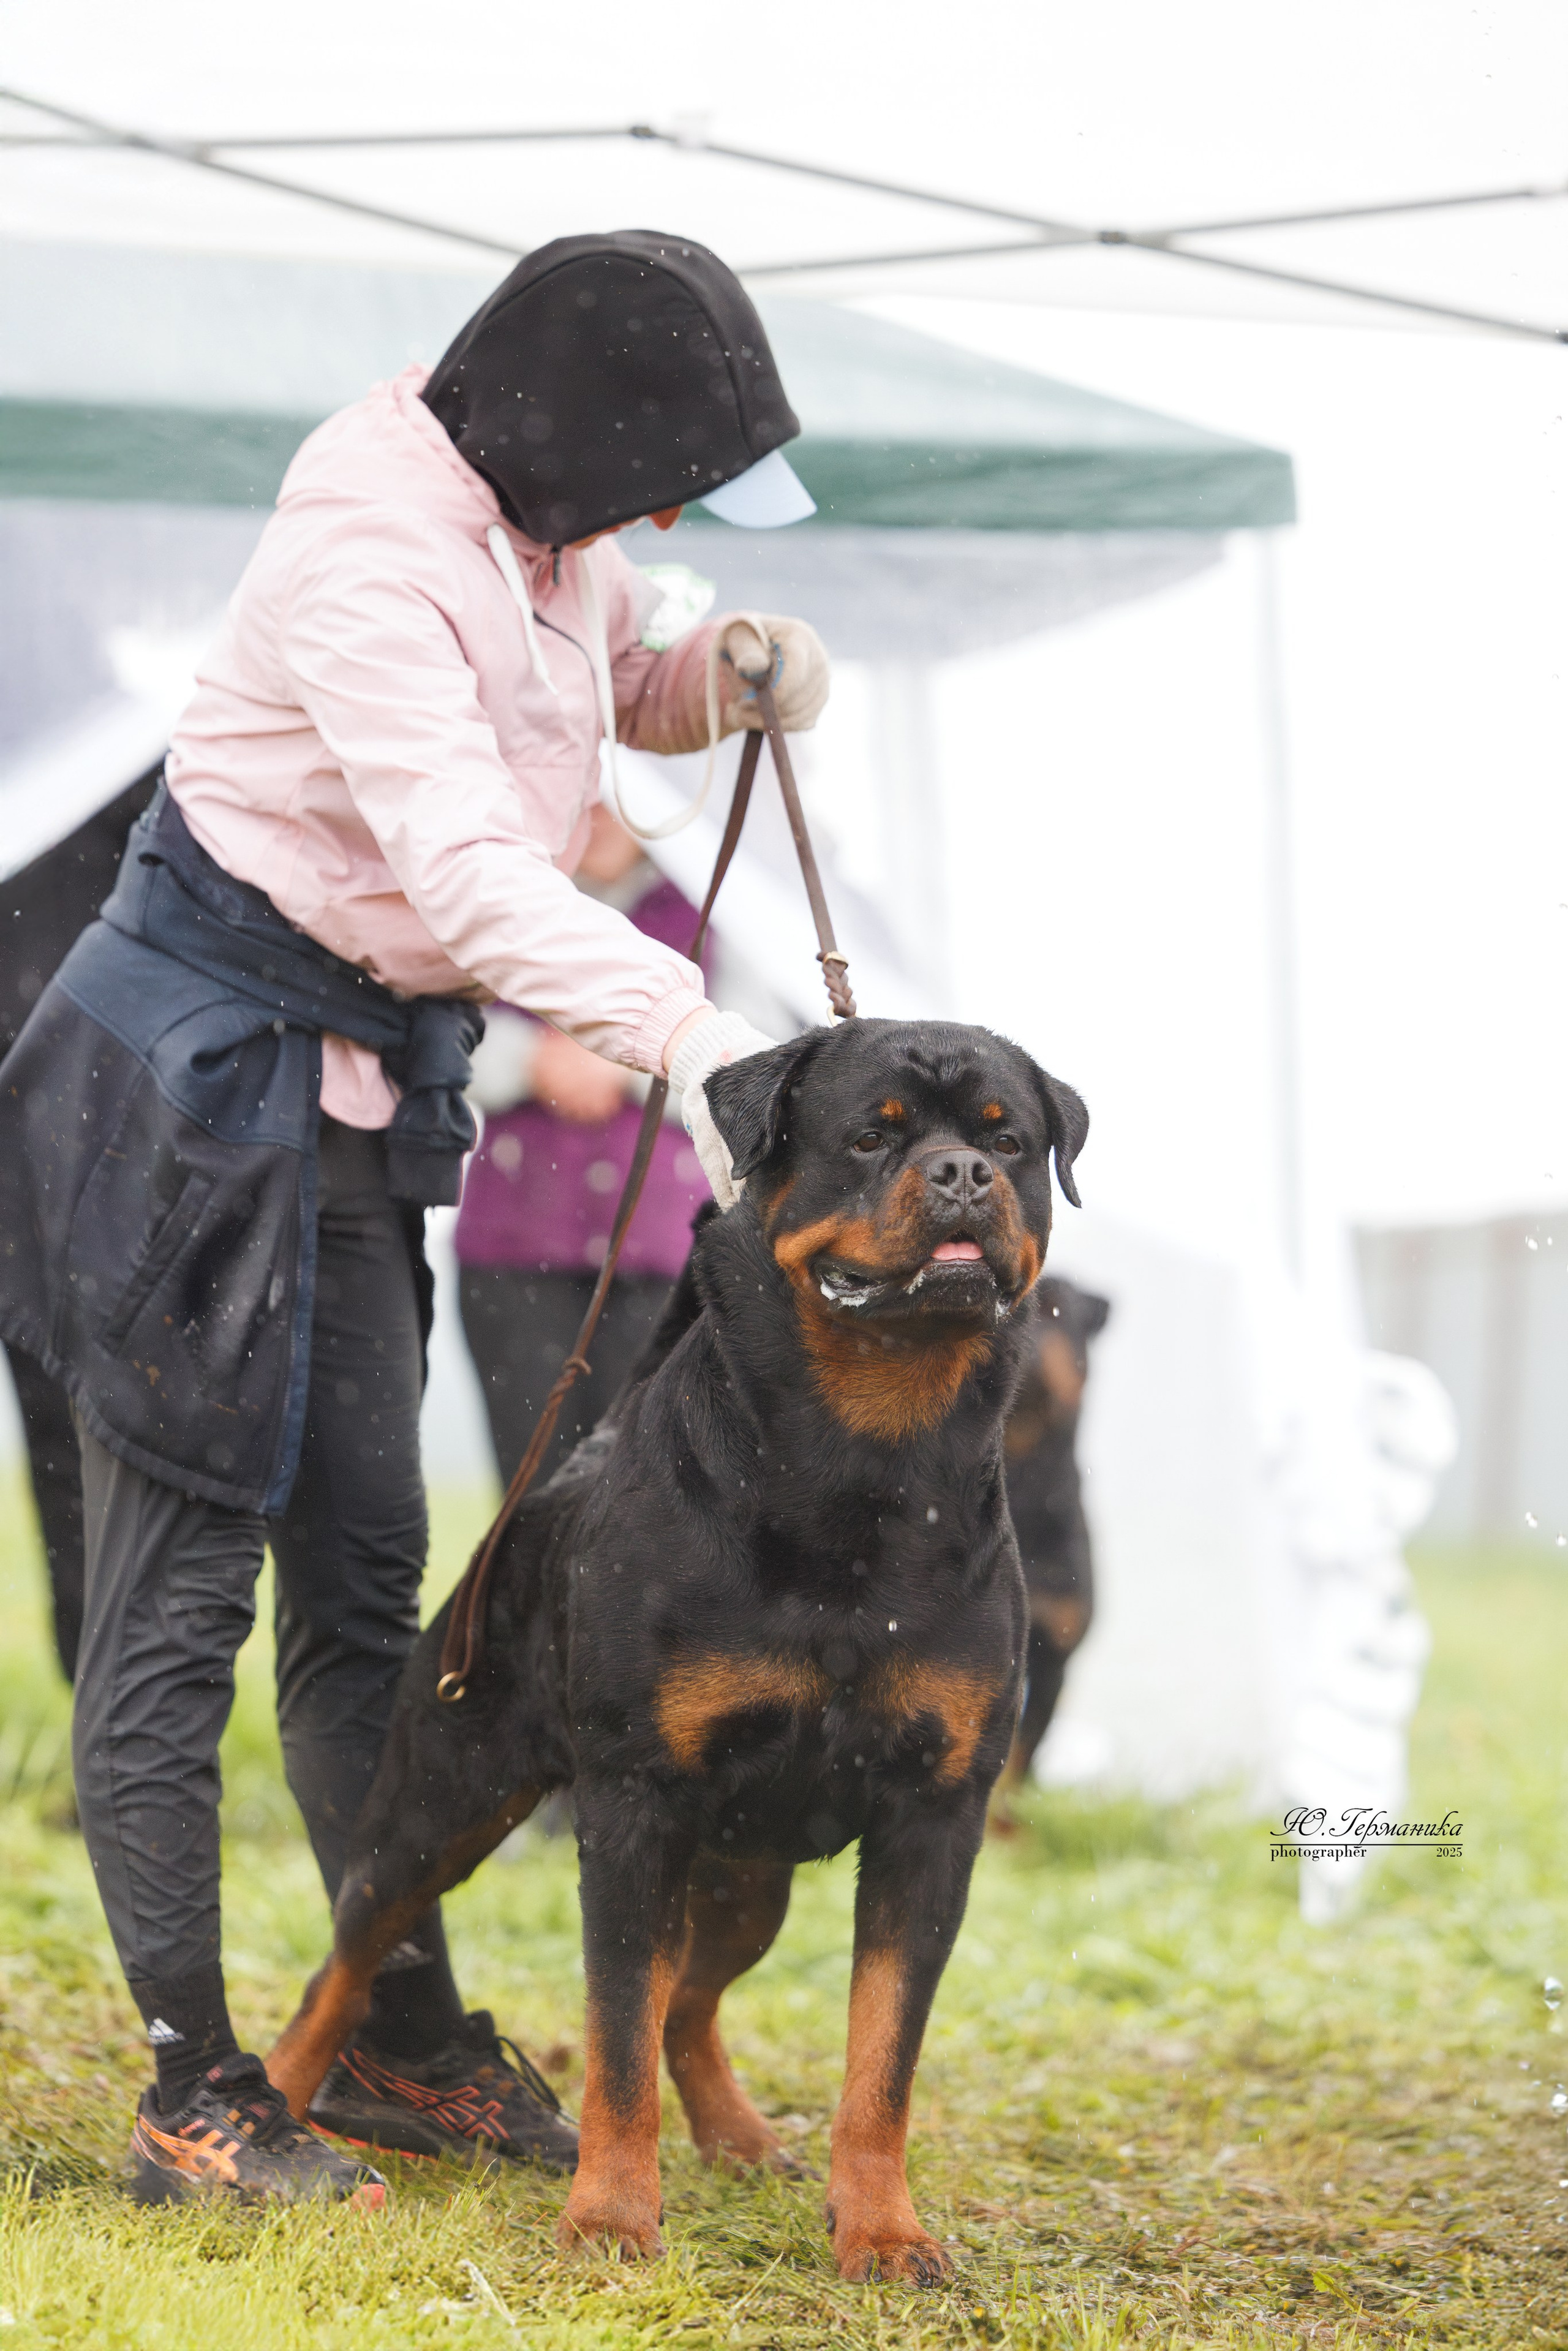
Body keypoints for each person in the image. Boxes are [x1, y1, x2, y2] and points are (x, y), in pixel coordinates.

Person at [0, 232, 820, 2205]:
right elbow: (462, 864)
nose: (673, 510)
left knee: (372, 1581)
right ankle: (196, 2087)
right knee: (180, 1596)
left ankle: (382, 2028)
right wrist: (692, 1035)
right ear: (574, 421)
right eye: (668, 467)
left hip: (357, 1085)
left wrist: (712, 677)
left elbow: (597, 690)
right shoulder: (367, 551)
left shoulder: (550, 528)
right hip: (187, 1083)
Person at [457, 803, 713, 1486]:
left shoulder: (714, 909)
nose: (596, 811)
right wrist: (534, 1063)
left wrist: (620, 1059)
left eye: (616, 792)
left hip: (665, 1259)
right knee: (530, 1491)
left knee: (654, 1495)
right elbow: (434, 1029)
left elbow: (756, 1063)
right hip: (514, 1252)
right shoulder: (495, 898)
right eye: (581, 789)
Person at [0, 766, 160, 1683]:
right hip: (63, 1084)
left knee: (82, 1417)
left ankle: (109, 1740)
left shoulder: (109, 707)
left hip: (82, 1096)